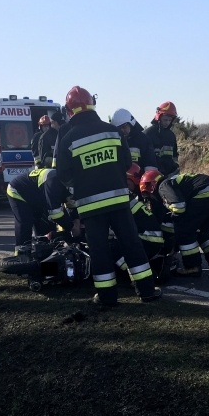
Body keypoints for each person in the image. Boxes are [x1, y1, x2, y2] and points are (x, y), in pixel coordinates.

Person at [55, 86, 161, 306]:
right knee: (132, 244)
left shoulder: (68, 139)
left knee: (100, 250)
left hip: (90, 206)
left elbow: (63, 175)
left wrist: (84, 182)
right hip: (119, 200)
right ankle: (147, 291)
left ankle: (107, 297)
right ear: (92, 104)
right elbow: (126, 163)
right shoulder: (113, 131)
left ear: (70, 110)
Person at [140, 170, 209, 277]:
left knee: (184, 230)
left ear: (151, 185)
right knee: (201, 230)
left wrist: (172, 222)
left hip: (205, 193)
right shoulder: (172, 181)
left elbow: (179, 207)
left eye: (146, 193)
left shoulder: (163, 186)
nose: (149, 197)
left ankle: (192, 266)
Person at [6, 167, 80, 254]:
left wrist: (76, 221)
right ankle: (20, 257)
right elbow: (55, 213)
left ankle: (43, 256)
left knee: (46, 229)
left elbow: (71, 205)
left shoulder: (73, 183)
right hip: (18, 192)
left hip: (39, 196)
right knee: (25, 224)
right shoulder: (54, 182)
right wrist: (71, 227)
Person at [110, 163, 165, 279]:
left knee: (111, 246)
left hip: (146, 240)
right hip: (153, 241)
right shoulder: (130, 199)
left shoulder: (122, 201)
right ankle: (146, 266)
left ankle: (132, 274)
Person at [111, 108, 158, 174]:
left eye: (124, 127)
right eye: (119, 128)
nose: (122, 131)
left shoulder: (143, 140)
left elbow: (151, 165)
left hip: (139, 181)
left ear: (131, 123)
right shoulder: (113, 141)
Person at [144, 101, 180, 177]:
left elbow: (174, 156)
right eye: (165, 120)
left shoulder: (171, 136)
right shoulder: (148, 134)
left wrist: (175, 168)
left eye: (170, 120)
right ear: (159, 117)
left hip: (170, 175)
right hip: (153, 176)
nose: (167, 122)